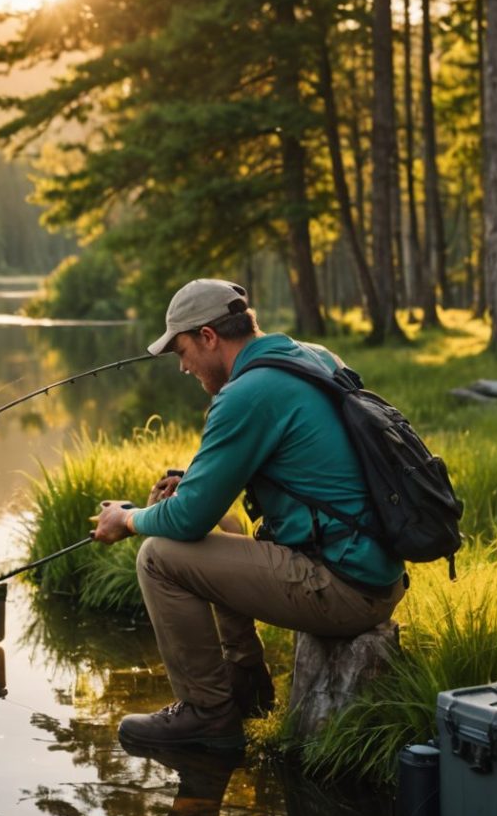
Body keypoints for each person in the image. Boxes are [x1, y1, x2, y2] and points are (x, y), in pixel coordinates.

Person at [88, 279, 405, 749]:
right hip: (377, 574)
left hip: (344, 590)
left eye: (181, 351)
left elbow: (185, 521)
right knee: (228, 524)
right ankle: (246, 680)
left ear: (208, 336)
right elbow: (294, 462)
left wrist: (128, 519)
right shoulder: (311, 357)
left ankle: (207, 715)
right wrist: (192, 483)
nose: (183, 367)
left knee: (157, 557)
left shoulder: (246, 393)